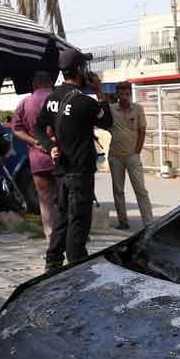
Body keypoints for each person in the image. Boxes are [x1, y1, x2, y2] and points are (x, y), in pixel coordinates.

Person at [33, 49, 112, 271]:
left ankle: (53, 262)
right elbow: (107, 121)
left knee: (62, 219)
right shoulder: (84, 102)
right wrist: (99, 91)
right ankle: (76, 267)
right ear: (79, 69)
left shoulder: (52, 99)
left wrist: (50, 147)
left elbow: (38, 128)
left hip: (62, 172)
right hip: (80, 173)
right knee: (78, 222)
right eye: (84, 66)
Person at [11, 70, 58, 241]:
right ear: (50, 83)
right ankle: (66, 234)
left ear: (34, 85)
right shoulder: (60, 99)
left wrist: (34, 141)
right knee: (65, 198)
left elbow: (16, 129)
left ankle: (50, 236)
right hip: (61, 157)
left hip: (38, 158)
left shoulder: (24, 103)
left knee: (45, 199)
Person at [106, 81, 152, 230]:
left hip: (132, 155)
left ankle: (149, 223)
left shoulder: (138, 109)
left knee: (140, 189)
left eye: (127, 94)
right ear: (117, 94)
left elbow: (142, 130)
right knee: (118, 190)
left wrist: (137, 151)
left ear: (130, 94)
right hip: (115, 156)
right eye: (121, 94)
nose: (124, 97)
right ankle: (123, 221)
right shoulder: (112, 109)